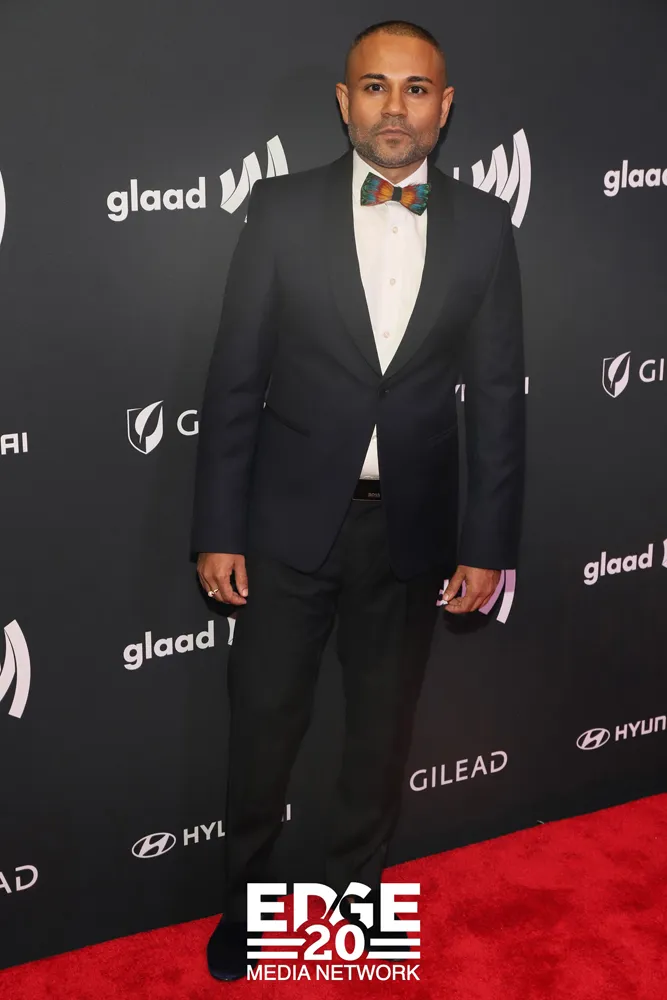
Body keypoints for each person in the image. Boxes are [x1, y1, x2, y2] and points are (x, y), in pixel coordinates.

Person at [191, 19, 525, 981]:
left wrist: (487, 542)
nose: (394, 107)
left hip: (409, 532)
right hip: (283, 527)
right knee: (263, 730)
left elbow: (497, 399)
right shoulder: (280, 210)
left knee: (381, 737)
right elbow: (233, 380)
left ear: (443, 107)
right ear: (344, 103)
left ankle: (353, 901)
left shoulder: (484, 226)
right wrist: (217, 527)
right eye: (374, 86)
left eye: (415, 89)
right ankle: (247, 907)